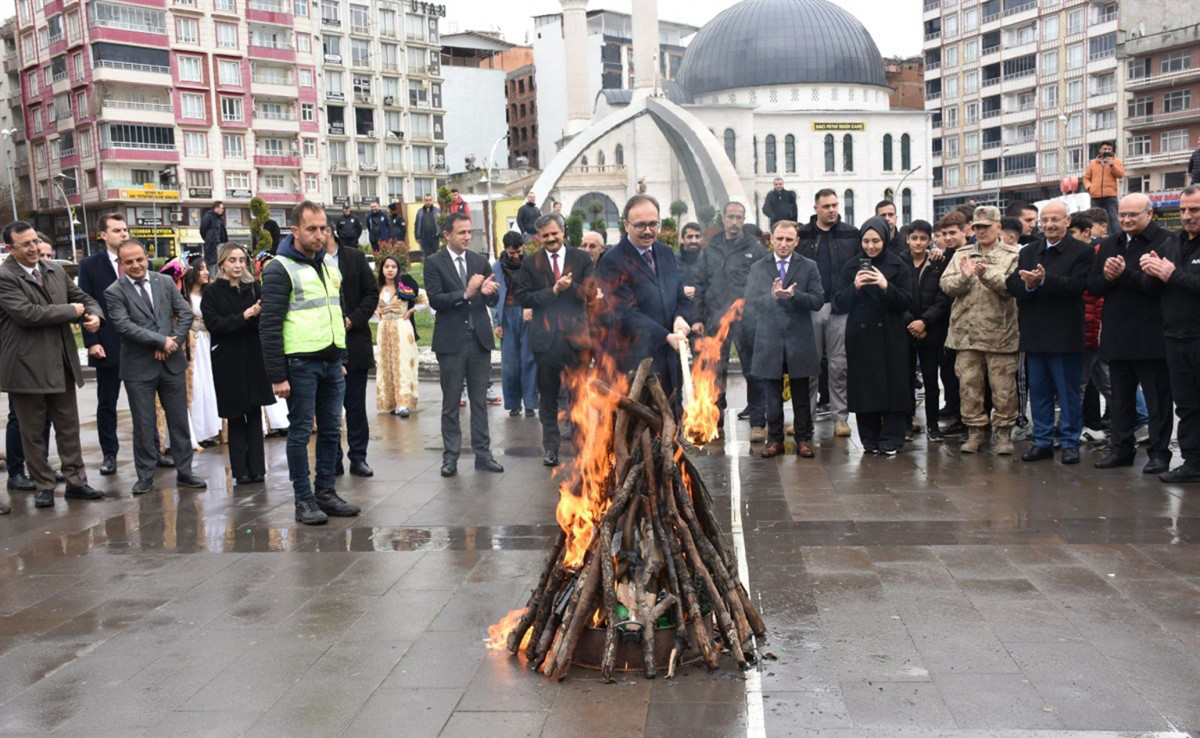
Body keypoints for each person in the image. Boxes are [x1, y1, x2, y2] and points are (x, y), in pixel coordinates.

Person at [261, 201, 359, 525]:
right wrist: (278, 375)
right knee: (301, 433)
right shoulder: (279, 268)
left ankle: (326, 492)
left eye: (323, 229)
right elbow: (269, 325)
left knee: (332, 430)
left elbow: (337, 310)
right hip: (300, 364)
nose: (319, 235)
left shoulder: (330, 265)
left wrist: (342, 357)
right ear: (295, 231)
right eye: (312, 229)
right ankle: (303, 500)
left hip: (331, 361)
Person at [0, 221, 105, 508]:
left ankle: (76, 482)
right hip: (25, 366)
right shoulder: (4, 276)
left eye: (35, 241)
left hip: (60, 362)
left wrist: (94, 315)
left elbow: (84, 298)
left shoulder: (53, 269)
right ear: (10, 248)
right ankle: (44, 485)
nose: (34, 248)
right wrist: (72, 311)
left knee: (68, 426)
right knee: (33, 431)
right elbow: (27, 314)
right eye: (26, 244)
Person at [105, 240, 208, 495]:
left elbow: (185, 313)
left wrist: (172, 341)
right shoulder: (114, 291)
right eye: (128, 261)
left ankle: (185, 472)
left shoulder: (163, 282)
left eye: (139, 259)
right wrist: (160, 340)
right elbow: (124, 325)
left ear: (146, 257)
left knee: (179, 421)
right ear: (121, 263)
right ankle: (145, 476)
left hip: (171, 364)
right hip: (138, 369)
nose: (136, 265)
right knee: (143, 423)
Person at [1088, 193, 1174, 474]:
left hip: (1151, 335)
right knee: (1120, 399)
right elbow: (1094, 285)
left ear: (1149, 214)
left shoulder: (1164, 241)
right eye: (1122, 215)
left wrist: (1124, 275)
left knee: (1158, 401)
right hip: (1117, 332)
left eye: (1132, 215)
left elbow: (1157, 287)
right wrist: (1109, 277)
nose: (1125, 220)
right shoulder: (1110, 242)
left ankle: (1159, 454)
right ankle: (1121, 449)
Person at [1004, 201, 1093, 464]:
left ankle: (1069, 442)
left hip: (1064, 334)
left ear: (1068, 221)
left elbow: (1079, 285)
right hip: (1034, 333)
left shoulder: (1082, 251)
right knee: (1038, 391)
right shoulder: (1030, 251)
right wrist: (1029, 285)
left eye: (1057, 219)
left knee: (1068, 393)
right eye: (1046, 220)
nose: (1051, 224)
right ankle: (1042, 440)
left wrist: (1044, 280)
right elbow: (1012, 283)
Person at [425, 212, 503, 477]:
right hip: (451, 343)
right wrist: (466, 293)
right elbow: (436, 300)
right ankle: (451, 457)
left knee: (480, 401)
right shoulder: (434, 262)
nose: (468, 237)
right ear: (447, 234)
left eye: (470, 232)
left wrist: (491, 294)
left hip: (479, 341)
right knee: (450, 403)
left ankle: (484, 455)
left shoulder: (480, 261)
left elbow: (493, 299)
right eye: (462, 232)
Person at [595, 194, 694, 404]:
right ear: (626, 225)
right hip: (633, 360)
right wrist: (666, 336)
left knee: (671, 418)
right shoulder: (612, 261)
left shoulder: (665, 252)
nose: (648, 231)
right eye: (640, 225)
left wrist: (681, 317)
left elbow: (679, 295)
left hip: (668, 358)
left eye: (653, 224)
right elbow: (625, 313)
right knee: (638, 425)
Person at [939, 206, 1021, 455]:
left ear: (998, 227)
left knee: (1003, 390)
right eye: (977, 227)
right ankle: (976, 433)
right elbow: (946, 286)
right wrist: (963, 277)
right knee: (969, 387)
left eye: (986, 226)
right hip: (966, 335)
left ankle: (1004, 433)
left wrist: (987, 274)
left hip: (1000, 334)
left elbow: (1011, 287)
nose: (981, 231)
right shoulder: (962, 254)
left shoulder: (1012, 255)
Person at [515, 213, 595, 467]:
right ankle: (551, 449)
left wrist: (569, 287)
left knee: (580, 397)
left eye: (554, 233)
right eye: (545, 235)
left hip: (576, 342)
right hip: (545, 343)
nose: (550, 239)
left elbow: (592, 294)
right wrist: (553, 291)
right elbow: (524, 297)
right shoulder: (530, 263)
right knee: (547, 400)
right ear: (539, 237)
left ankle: (582, 447)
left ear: (563, 231)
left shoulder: (581, 258)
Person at [834, 216, 915, 456]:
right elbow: (838, 303)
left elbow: (907, 301)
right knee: (864, 387)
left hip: (891, 334)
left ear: (885, 239)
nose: (871, 246)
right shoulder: (851, 266)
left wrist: (885, 285)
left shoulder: (898, 265)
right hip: (861, 336)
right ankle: (869, 439)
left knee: (894, 386)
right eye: (866, 241)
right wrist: (855, 287)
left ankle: (891, 439)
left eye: (876, 241)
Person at [747, 219, 824, 458]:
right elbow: (750, 303)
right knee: (772, 394)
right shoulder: (759, 267)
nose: (783, 244)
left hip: (799, 338)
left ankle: (803, 439)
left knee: (802, 393)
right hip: (769, 338)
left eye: (789, 239)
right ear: (771, 239)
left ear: (797, 241)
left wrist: (793, 296)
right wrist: (772, 296)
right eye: (779, 238)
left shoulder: (808, 265)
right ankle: (775, 440)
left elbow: (817, 300)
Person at [200, 243, 275, 485]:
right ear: (222, 263)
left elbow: (262, 320)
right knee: (235, 415)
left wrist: (255, 315)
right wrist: (244, 316)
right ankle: (240, 471)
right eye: (232, 260)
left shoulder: (253, 287)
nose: (238, 265)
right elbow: (215, 324)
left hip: (252, 356)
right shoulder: (212, 292)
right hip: (228, 359)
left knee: (254, 413)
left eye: (241, 260)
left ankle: (257, 470)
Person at [693, 202, 766, 439]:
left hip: (747, 320)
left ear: (744, 220)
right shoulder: (711, 248)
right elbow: (701, 284)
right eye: (730, 217)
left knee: (752, 372)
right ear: (723, 218)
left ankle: (757, 421)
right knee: (715, 371)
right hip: (715, 317)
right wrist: (697, 317)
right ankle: (716, 419)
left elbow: (762, 283)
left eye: (739, 217)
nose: (734, 222)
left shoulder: (754, 249)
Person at [1142, 186, 1200, 481]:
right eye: (1183, 210)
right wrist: (1149, 270)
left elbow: (1181, 280)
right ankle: (1192, 462)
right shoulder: (1173, 242)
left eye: (1195, 210)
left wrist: (1171, 274)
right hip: (1175, 337)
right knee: (1187, 405)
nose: (1187, 216)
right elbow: (1152, 289)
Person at [797, 189, 860, 438]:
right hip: (810, 307)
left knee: (838, 366)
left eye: (835, 205)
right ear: (816, 208)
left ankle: (840, 418)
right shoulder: (802, 235)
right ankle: (806, 418)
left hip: (840, 307)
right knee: (809, 366)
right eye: (826, 206)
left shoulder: (851, 234)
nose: (832, 210)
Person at [78, 213, 130, 476]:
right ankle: (110, 454)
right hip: (107, 344)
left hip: (138, 345)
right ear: (103, 235)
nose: (124, 234)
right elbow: (86, 303)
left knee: (144, 402)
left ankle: (153, 450)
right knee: (107, 403)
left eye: (125, 230)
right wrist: (92, 342)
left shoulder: (137, 261)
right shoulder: (90, 265)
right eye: (117, 230)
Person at [326, 223, 380, 478]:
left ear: (330, 231)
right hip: (324, 346)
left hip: (354, 339)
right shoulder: (310, 263)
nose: (317, 235)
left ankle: (358, 457)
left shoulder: (355, 257)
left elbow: (371, 293)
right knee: (328, 408)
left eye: (321, 230)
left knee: (355, 406)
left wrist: (352, 320)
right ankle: (333, 458)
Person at [900, 220, 950, 441]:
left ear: (930, 240)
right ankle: (907, 423)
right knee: (906, 379)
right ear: (908, 239)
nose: (918, 242)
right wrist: (912, 322)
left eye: (923, 238)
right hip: (906, 329)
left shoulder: (939, 262)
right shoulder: (899, 262)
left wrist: (925, 322)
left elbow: (943, 298)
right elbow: (895, 296)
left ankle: (932, 424)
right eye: (914, 238)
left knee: (931, 380)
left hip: (931, 330)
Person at [492, 231, 538, 419]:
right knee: (510, 362)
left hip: (527, 314)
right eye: (512, 253)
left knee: (529, 360)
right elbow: (494, 297)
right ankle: (513, 404)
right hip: (507, 314)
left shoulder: (530, 264)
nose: (516, 256)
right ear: (505, 250)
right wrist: (497, 323)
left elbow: (537, 289)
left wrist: (531, 306)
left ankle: (530, 403)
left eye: (519, 252)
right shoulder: (497, 267)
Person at [375, 253, 425, 417]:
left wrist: (412, 310)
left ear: (398, 269)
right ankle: (391, 401)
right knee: (386, 364)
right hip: (384, 330)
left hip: (402, 327)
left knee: (403, 363)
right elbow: (369, 304)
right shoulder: (378, 288)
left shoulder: (404, 286)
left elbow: (423, 298)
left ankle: (404, 403)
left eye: (393, 267)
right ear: (382, 269)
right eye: (387, 266)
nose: (390, 270)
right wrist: (377, 312)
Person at [935, 211, 969, 438]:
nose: (948, 238)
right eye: (944, 234)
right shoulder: (943, 257)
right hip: (946, 323)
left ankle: (966, 419)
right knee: (947, 371)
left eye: (952, 233)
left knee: (967, 376)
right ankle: (952, 408)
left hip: (969, 323)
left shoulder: (970, 254)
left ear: (964, 231)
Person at [183, 256, 222, 447]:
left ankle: (212, 429)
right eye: (202, 269)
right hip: (194, 346)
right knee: (197, 386)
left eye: (207, 268)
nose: (207, 272)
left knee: (211, 384)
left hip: (208, 341)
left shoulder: (211, 294)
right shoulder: (185, 297)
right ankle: (198, 431)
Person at [1083, 141, 1125, 229]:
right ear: (1100, 150)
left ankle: (1116, 238)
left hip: (1110, 195)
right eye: (1105, 149)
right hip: (1095, 196)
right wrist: (1089, 187)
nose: (1107, 151)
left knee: (1112, 218)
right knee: (1094, 218)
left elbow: (1120, 175)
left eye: (1109, 149)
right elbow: (1086, 178)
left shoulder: (1116, 161)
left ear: (1112, 150)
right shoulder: (1093, 163)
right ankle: (1095, 237)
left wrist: (1112, 165)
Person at [677, 222, 704, 296]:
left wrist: (697, 292)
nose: (694, 241)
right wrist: (681, 290)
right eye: (690, 237)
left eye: (697, 236)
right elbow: (664, 284)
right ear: (682, 239)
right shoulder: (671, 260)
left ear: (701, 238)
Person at [200, 202, 228, 268]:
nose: (222, 210)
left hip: (221, 244)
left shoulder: (219, 219)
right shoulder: (208, 216)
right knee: (213, 264)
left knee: (221, 262)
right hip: (213, 245)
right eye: (221, 208)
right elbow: (202, 230)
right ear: (216, 208)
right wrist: (208, 239)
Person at [414, 193, 441, 260]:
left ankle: (436, 270)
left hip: (435, 237)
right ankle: (428, 270)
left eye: (429, 200)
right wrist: (417, 236)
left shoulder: (437, 211)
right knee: (427, 256)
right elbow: (416, 224)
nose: (428, 202)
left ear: (432, 200)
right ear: (424, 201)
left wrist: (441, 235)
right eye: (426, 200)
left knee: (436, 256)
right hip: (424, 238)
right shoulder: (420, 211)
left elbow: (441, 224)